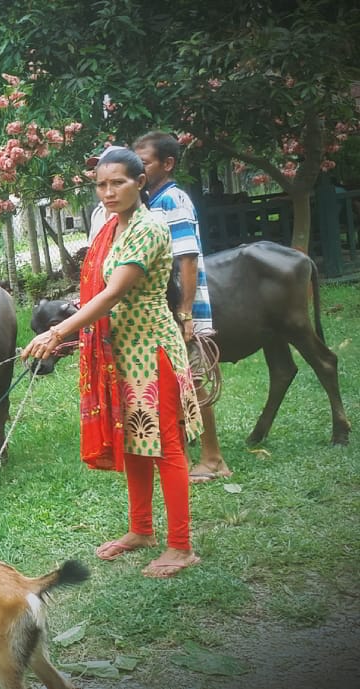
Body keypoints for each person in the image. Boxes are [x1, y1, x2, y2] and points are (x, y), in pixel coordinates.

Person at [23, 147, 203, 579]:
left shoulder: (149, 227)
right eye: (101, 184)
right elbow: (98, 298)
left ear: (140, 183)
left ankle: (181, 546)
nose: (108, 192)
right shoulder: (113, 227)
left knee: (166, 447)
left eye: (117, 182)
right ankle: (141, 530)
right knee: (134, 442)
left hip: (152, 350)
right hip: (119, 351)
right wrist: (75, 336)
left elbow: (113, 293)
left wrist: (58, 331)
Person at [133, 131, 231, 483]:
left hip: (179, 312)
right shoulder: (150, 201)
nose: (136, 169)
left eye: (143, 163)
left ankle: (213, 457)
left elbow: (186, 261)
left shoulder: (172, 200)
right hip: (160, 311)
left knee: (193, 381)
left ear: (168, 163)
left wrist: (185, 313)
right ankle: (185, 456)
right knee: (172, 384)